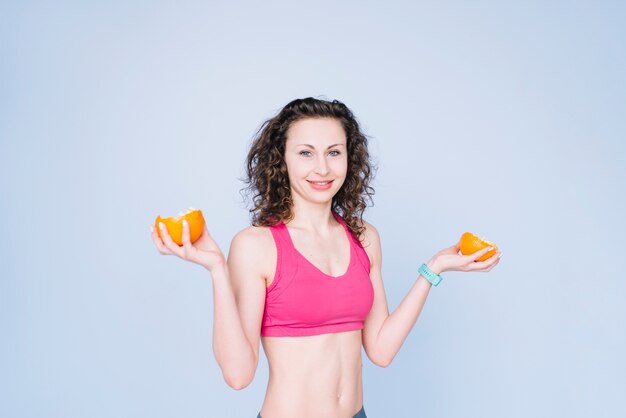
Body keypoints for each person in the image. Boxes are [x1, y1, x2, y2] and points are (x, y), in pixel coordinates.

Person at [151, 97, 502, 418]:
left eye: (334, 152)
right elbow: (238, 375)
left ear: (349, 157)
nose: (322, 168)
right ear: (281, 159)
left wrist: (433, 269)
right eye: (306, 153)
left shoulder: (364, 238)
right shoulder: (256, 245)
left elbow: (380, 350)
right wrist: (216, 270)